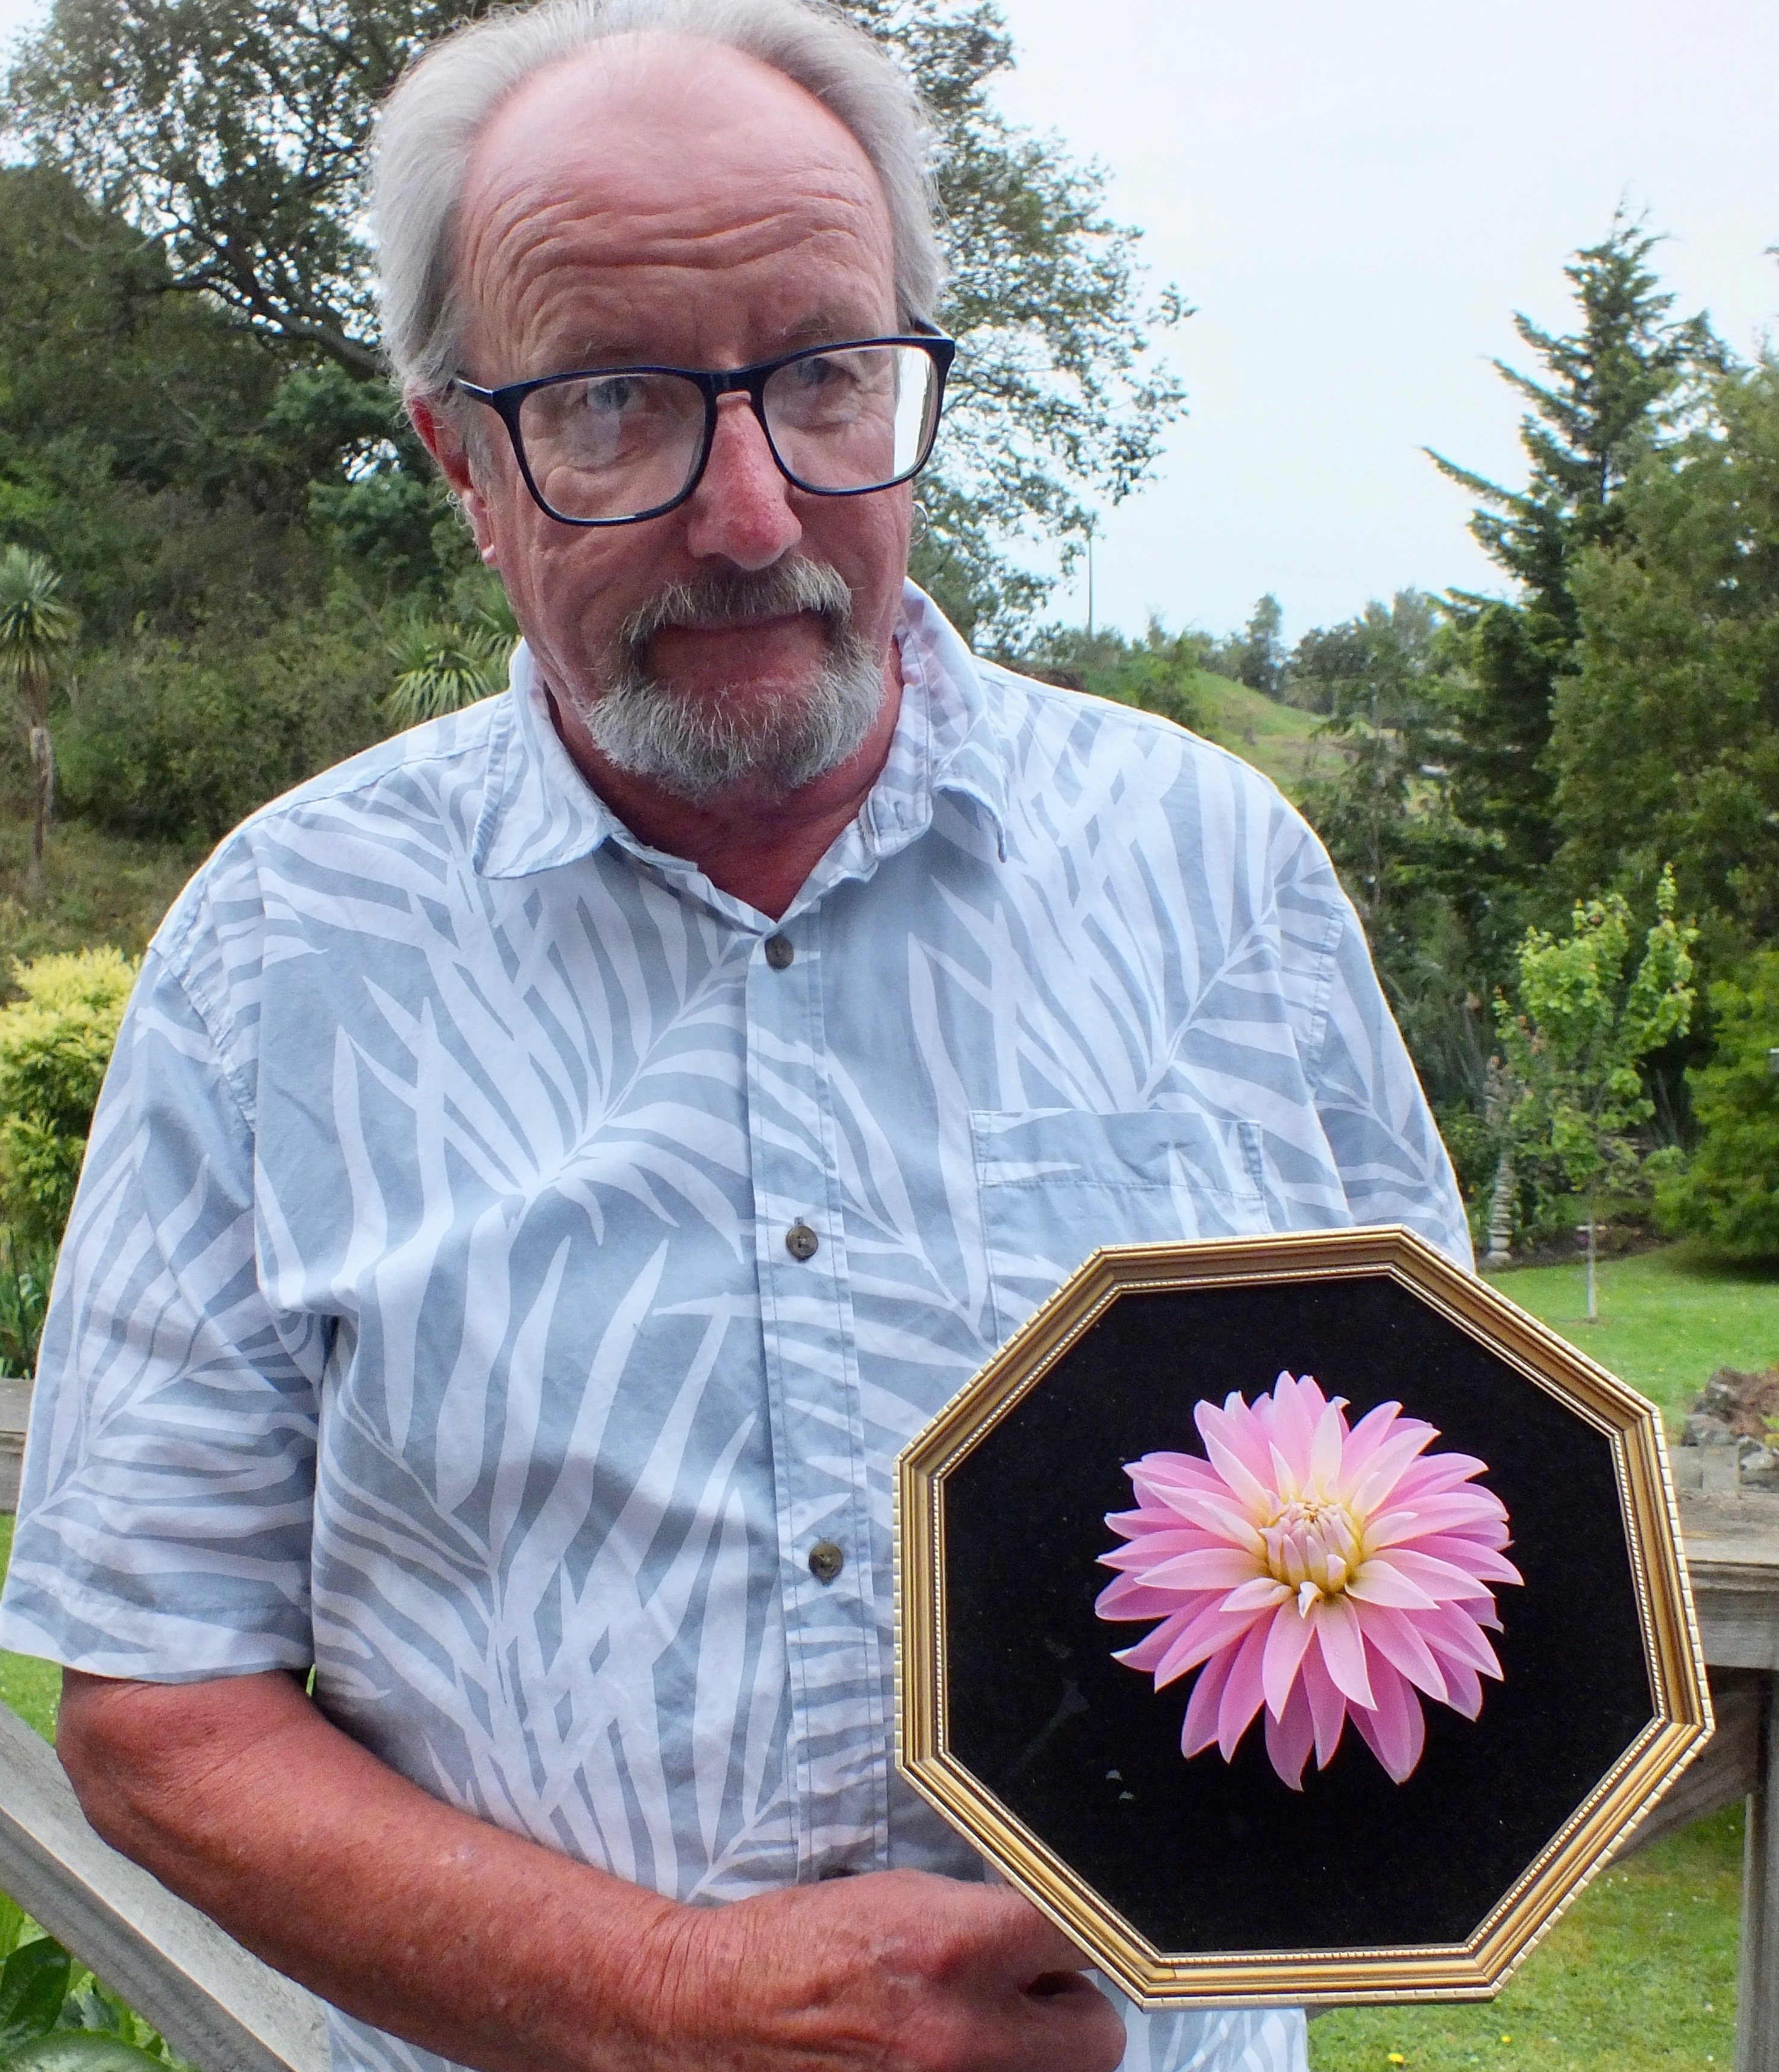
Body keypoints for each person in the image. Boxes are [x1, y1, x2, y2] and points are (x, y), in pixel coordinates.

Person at [0, 1, 1469, 2067]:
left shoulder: (1211, 873)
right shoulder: (282, 949)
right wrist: (664, 2001)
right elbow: (158, 1712)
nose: (754, 510)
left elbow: (1448, 1481)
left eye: (824, 377)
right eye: (613, 399)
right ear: (462, 460)